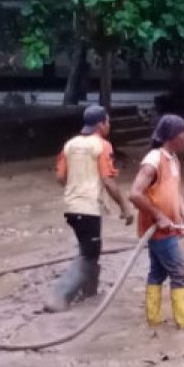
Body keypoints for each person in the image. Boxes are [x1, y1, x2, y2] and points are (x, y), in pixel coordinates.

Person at [44, 106, 134, 312]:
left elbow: (60, 178)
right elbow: (108, 181)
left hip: (71, 207)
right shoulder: (102, 145)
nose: (109, 126)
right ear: (101, 124)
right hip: (89, 208)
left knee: (89, 249)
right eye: (108, 122)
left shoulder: (70, 145)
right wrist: (125, 207)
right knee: (89, 254)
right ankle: (59, 296)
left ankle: (89, 295)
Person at [129, 115, 184, 329]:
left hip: (170, 228)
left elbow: (175, 194)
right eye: (183, 134)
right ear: (171, 137)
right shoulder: (153, 160)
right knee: (180, 273)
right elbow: (134, 194)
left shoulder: (174, 159)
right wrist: (159, 216)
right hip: (158, 230)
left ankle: (154, 321)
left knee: (157, 273)